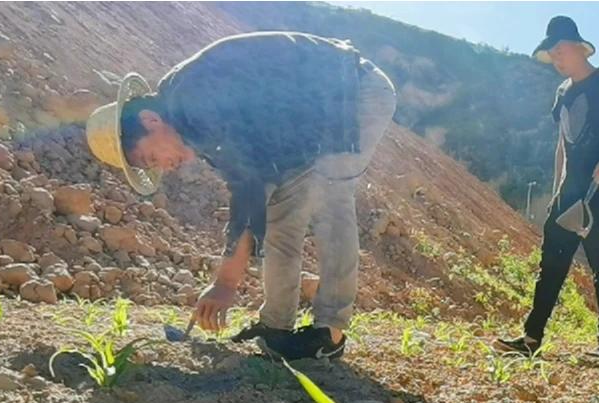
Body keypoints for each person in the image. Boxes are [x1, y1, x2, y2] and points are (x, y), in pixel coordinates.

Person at [85, 32, 397, 360]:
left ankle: (329, 334)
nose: (164, 167)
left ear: (151, 121)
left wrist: (225, 284)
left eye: (151, 159)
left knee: (331, 194)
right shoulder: (187, 118)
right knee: (280, 215)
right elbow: (252, 191)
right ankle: (276, 327)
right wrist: (227, 277)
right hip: (309, 125)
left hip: (354, 93)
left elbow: (249, 189)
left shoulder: (196, 99)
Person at [495, 16, 599, 357]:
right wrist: (558, 187)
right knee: (551, 265)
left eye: (560, 50)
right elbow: (563, 143)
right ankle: (531, 339)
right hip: (569, 195)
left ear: (579, 46)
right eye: (552, 54)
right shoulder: (562, 92)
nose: (557, 59)